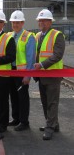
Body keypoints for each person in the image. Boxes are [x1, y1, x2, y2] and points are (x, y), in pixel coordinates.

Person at [33, 9, 65, 140]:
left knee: (52, 102)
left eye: (44, 20)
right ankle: (52, 123)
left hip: (53, 74)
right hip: (41, 75)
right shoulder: (38, 36)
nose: (42, 22)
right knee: (45, 101)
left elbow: (57, 55)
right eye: (40, 20)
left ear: (50, 22)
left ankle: (50, 127)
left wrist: (42, 65)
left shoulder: (57, 35)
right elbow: (37, 54)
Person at [7, 10, 36, 131]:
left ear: (23, 22)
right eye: (13, 22)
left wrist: (27, 76)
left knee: (22, 97)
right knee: (13, 95)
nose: (15, 25)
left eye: (18, 22)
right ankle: (16, 118)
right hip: (11, 70)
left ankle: (24, 121)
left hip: (22, 72)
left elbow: (31, 58)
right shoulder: (9, 36)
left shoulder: (29, 37)